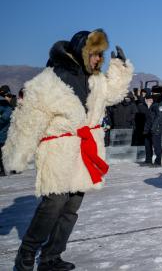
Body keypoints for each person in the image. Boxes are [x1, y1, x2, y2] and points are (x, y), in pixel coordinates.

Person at [2, 29, 133, 271]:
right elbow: (29, 120)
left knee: (72, 207)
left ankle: (52, 257)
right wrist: (14, 157)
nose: (98, 60)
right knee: (53, 204)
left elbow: (114, 94)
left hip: (84, 150)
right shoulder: (49, 80)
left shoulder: (95, 80)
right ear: (81, 51)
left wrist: (120, 67)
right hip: (59, 149)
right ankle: (27, 255)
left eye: (101, 56)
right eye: (95, 54)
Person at [144, 85, 162, 167]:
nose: (152, 94)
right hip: (149, 126)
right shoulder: (154, 101)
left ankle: (158, 161)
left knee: (156, 145)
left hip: (156, 127)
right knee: (148, 143)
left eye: (154, 92)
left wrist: (154, 127)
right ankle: (148, 160)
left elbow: (160, 117)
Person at [0, 85, 14, 176]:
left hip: (4, 134)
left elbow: (5, 118)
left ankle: (6, 170)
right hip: (3, 133)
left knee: (5, 152)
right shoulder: (3, 104)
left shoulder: (9, 106)